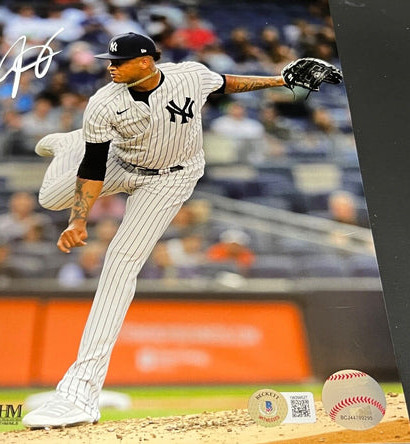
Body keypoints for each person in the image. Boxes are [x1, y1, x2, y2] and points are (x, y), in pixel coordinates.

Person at [21, 32, 314, 429]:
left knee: (120, 263)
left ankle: (79, 394)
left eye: (119, 61)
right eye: (109, 60)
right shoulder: (103, 102)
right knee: (50, 198)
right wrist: (78, 219)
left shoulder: (188, 75)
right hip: (119, 162)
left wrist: (280, 80)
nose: (111, 66)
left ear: (146, 62)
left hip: (171, 178)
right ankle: (71, 144)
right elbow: (92, 168)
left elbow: (227, 83)